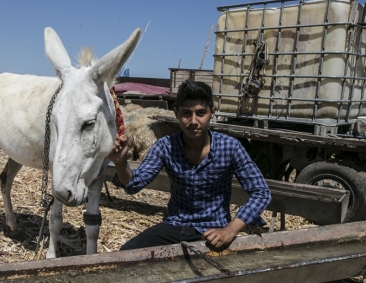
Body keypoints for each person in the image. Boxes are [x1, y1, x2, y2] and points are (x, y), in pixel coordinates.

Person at [107, 80, 271, 251]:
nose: (193, 121)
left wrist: (230, 230)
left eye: (200, 113)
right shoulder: (165, 146)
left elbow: (261, 192)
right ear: (176, 113)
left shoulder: (230, 147)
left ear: (212, 112)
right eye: (186, 113)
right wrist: (121, 162)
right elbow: (134, 185)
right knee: (127, 254)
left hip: (214, 229)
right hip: (175, 226)